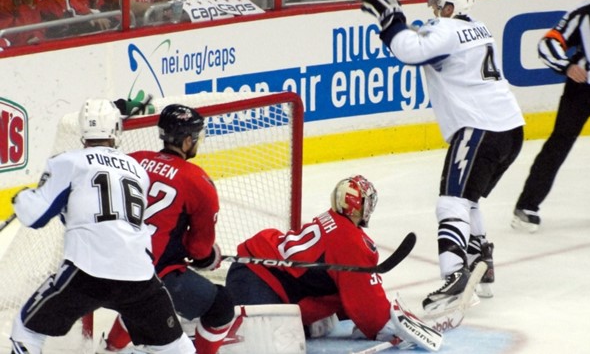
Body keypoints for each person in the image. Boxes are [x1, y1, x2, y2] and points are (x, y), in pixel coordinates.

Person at [361, 0, 525, 307]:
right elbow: (425, 46)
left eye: (438, 4)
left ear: (451, 7)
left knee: (451, 202)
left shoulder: (447, 31)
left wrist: (391, 18)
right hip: (510, 129)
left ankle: (454, 278)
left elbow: (411, 50)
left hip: (478, 128)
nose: (433, 9)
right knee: (469, 199)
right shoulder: (477, 29)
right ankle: (481, 261)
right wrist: (400, 25)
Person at [9, 98, 195, 354]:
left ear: (83, 130)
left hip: (87, 273)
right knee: (177, 347)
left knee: (26, 330)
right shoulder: (137, 170)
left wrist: (20, 199)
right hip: (138, 274)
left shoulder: (68, 161)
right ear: (116, 130)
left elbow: (35, 216)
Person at [225, 175, 436, 349]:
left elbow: (347, 286)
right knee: (268, 346)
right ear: (355, 206)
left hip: (253, 271)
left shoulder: (332, 220)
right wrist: (386, 327)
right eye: (367, 202)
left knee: (312, 328)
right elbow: (366, 302)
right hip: (257, 280)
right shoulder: (351, 241)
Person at [99, 104, 235, 354]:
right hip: (145, 276)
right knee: (221, 306)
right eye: (196, 138)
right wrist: (208, 258)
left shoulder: (134, 159)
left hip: (101, 265)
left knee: (143, 300)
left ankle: (108, 349)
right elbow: (199, 249)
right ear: (186, 141)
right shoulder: (198, 181)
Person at [513, 0, 590, 231]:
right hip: (581, 91)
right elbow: (548, 43)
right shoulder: (581, 16)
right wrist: (567, 66)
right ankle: (526, 207)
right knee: (558, 146)